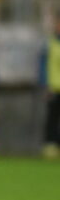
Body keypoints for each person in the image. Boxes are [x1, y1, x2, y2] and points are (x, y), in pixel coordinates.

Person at [41, 17, 60, 159]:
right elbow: (43, 66)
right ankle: (50, 146)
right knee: (52, 118)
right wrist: (45, 84)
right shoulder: (50, 43)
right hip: (54, 87)